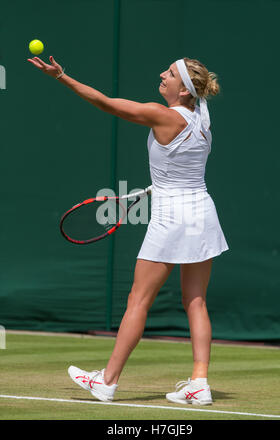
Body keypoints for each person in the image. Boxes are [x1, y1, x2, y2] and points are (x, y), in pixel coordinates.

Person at [27, 55, 229, 405]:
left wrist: (62, 76)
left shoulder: (161, 114)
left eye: (169, 74)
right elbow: (182, 160)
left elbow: (105, 103)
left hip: (173, 217)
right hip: (202, 213)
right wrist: (161, 182)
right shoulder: (202, 115)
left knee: (139, 299)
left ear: (183, 90)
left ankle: (106, 381)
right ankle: (200, 383)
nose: (161, 75)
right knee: (196, 302)